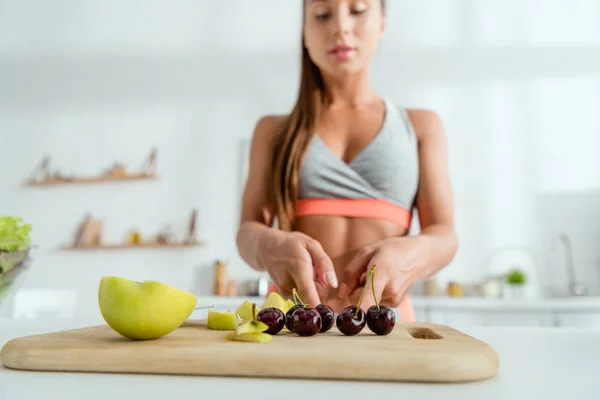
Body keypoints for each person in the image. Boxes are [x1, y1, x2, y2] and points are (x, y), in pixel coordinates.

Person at [236, 0, 458, 321]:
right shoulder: (273, 131)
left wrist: (412, 252)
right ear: (304, 33)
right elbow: (247, 230)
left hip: (383, 327)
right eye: (322, 15)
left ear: (382, 23)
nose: (340, 26)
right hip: (294, 324)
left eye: (357, 10)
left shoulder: (422, 126)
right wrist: (266, 244)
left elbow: (445, 234)